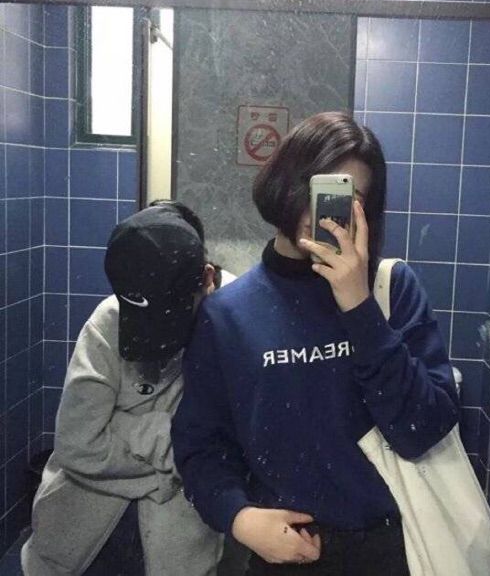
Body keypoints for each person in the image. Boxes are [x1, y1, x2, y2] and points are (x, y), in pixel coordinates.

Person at [171, 112, 460, 575]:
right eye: (317, 187)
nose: (323, 210)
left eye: (346, 197)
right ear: (283, 183)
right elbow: (200, 446)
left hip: (398, 552)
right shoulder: (226, 315)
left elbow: (422, 429)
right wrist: (240, 518)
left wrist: (359, 307)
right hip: (284, 554)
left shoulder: (391, 290)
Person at [22, 201, 232, 576]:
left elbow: (226, 449)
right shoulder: (109, 320)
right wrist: (170, 460)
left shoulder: (234, 322)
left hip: (178, 550)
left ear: (206, 278)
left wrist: (122, 433)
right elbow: (77, 445)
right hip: (75, 542)